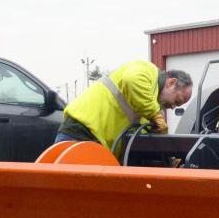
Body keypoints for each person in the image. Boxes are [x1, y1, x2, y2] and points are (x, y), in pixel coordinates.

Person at [54, 61, 193, 151]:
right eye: (177, 100)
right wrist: (155, 115)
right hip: (80, 132)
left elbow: (140, 139)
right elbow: (132, 79)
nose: (173, 107)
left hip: (96, 143)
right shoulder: (147, 71)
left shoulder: (148, 106)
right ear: (171, 82)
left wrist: (165, 152)